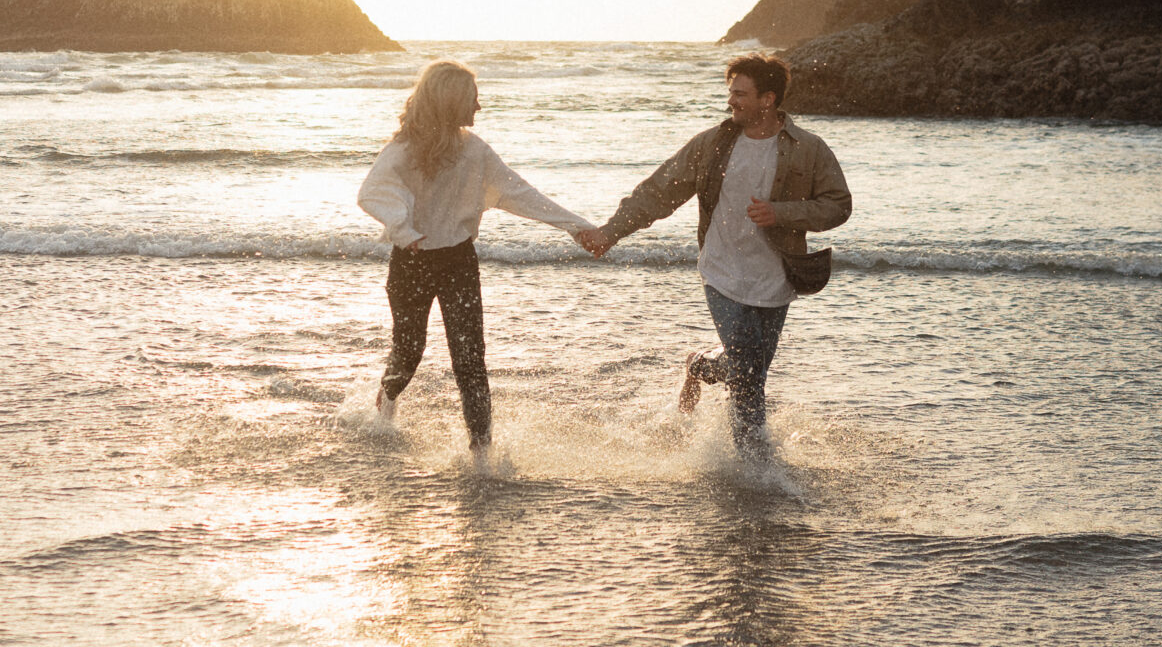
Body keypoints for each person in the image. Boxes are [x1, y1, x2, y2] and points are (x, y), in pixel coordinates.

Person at [579, 55, 851, 446]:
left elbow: (838, 204)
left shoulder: (807, 148)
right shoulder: (714, 143)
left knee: (751, 370)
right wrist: (611, 231)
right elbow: (660, 191)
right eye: (731, 93)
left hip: (776, 277)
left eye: (740, 94)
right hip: (721, 271)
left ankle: (700, 365)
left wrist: (782, 213)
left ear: (768, 99)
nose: (731, 102)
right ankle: (755, 467)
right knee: (746, 372)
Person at [358, 60, 597, 454]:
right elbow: (374, 191)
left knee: (470, 362)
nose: (479, 108)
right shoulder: (401, 150)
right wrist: (404, 229)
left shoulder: (475, 151)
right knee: (408, 354)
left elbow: (521, 193)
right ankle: (384, 406)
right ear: (451, 101)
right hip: (411, 261)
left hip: (458, 262)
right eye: (473, 98)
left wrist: (575, 225)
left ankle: (481, 455)